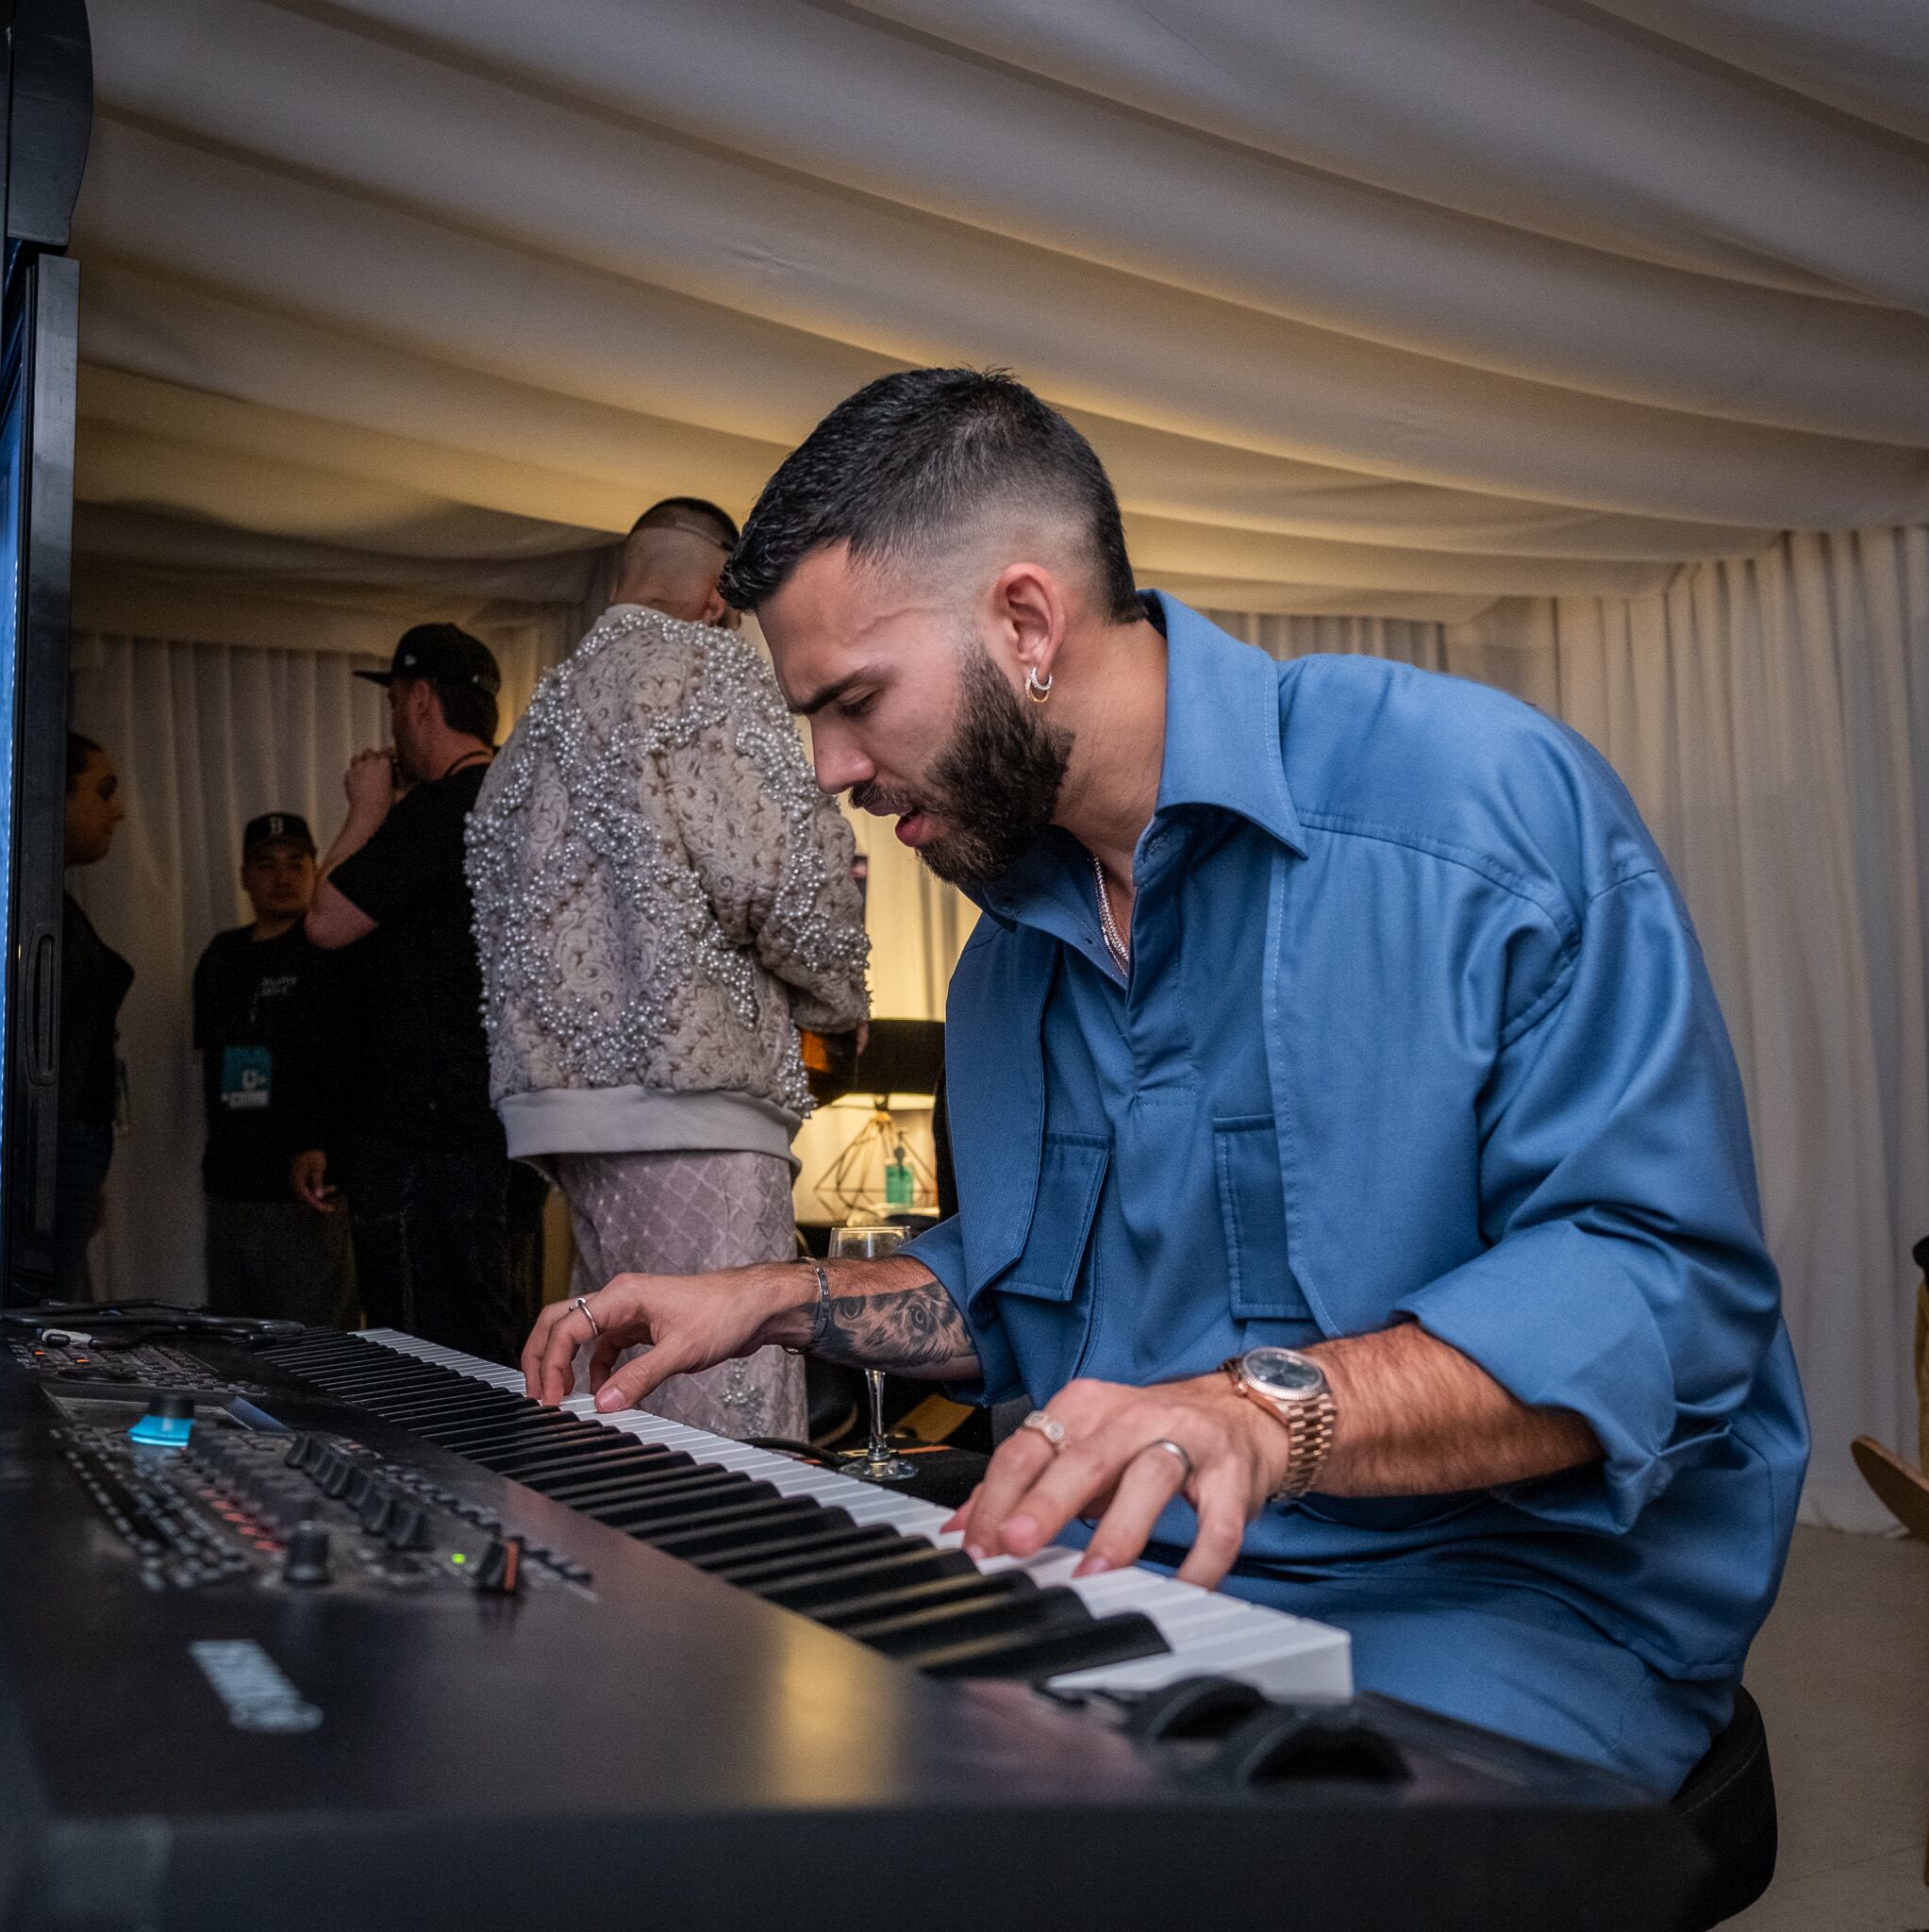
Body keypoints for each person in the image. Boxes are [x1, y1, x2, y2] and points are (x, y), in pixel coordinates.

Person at [523, 368, 1809, 1792]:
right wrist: (772, 1300)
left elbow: (1662, 1303)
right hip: (1144, 1575)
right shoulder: (1007, 960)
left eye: (855, 702)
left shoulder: (1471, 805)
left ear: (1024, 620)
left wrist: (1252, 1412)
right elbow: (1017, 1301)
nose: (828, 770)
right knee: (762, 1764)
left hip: (1503, 1595)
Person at [470, 498, 869, 1440]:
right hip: (693, 1092)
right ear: (720, 597)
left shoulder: (543, 715)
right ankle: (720, 1590)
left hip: (562, 1111)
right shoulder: (709, 672)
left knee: (618, 1395)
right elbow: (782, 868)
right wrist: (838, 994)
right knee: (723, 1412)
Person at [298, 625, 518, 1363]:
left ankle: (446, 1482)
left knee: (425, 1351)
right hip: (494, 1128)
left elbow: (325, 923)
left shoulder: (436, 811)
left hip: (423, 1140)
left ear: (421, 699)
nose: (390, 724)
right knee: (479, 1336)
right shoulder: (513, 804)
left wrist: (364, 810)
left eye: (394, 702)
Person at [191, 812, 356, 1327]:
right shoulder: (221, 956)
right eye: (267, 865)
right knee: (236, 1348)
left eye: (296, 863)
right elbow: (210, 1061)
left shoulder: (333, 951)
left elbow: (352, 1061)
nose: (282, 877)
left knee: (317, 1346)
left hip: (308, 1190)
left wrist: (324, 1143)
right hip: (231, 1185)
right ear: (244, 876)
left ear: (315, 870)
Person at [57, 732, 132, 1298]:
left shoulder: (52, 903)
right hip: (50, 1148)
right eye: (102, 791)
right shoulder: (28, 910)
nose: (118, 810)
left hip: (69, 1145)